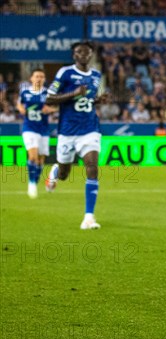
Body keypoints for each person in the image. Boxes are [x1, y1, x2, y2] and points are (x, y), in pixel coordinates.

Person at [45, 41, 104, 229]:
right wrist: (74, 93)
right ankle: (55, 170)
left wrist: (98, 100)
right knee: (64, 174)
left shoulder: (96, 75)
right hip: (67, 131)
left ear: (91, 54)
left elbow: (89, 100)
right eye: (79, 52)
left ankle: (89, 217)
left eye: (87, 52)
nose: (83, 55)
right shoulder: (65, 73)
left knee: (92, 166)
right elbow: (49, 98)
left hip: (90, 129)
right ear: (74, 55)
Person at [16, 69, 56, 199]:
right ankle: (31, 183)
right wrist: (21, 109)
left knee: (41, 160)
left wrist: (49, 109)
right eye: (37, 76)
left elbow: (56, 107)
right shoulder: (25, 92)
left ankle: (36, 180)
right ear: (31, 78)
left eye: (41, 77)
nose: (39, 78)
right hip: (29, 128)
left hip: (43, 129)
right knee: (32, 156)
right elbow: (19, 105)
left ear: (44, 79)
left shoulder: (48, 93)